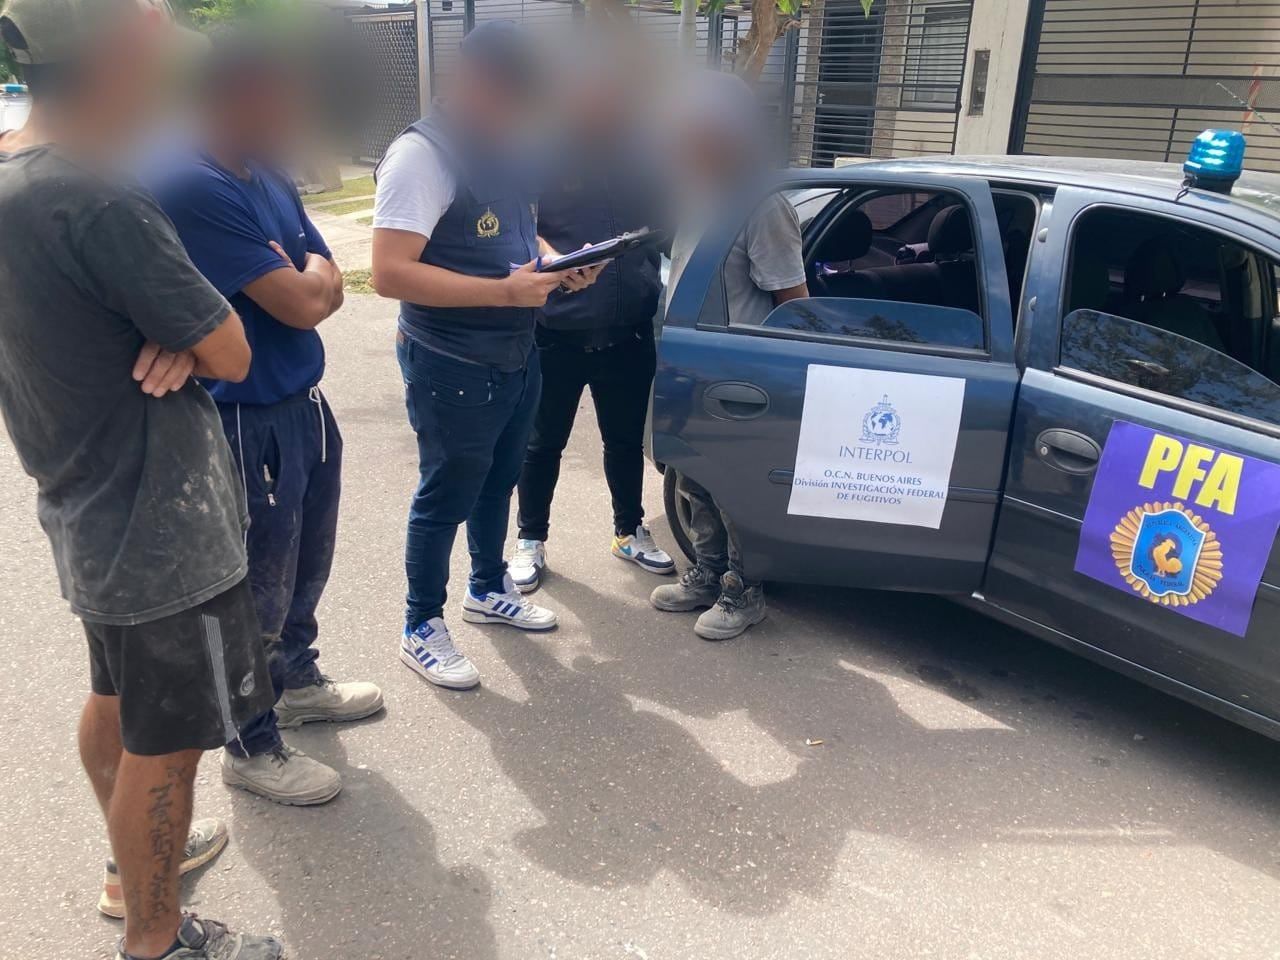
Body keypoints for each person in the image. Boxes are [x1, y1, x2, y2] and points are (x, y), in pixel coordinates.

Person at [0, 1, 283, 958]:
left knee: (118, 703)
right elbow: (235, 348)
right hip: (163, 527)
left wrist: (179, 336)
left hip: (84, 504)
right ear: (118, 61)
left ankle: (132, 872)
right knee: (171, 747)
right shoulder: (102, 200)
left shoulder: (13, 172)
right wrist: (190, 338)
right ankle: (159, 940)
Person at [146, 28, 383, 808]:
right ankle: (251, 742)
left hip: (302, 402)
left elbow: (329, 284)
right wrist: (304, 274)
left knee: (307, 563)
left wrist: (306, 274)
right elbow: (301, 296)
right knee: (255, 589)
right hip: (243, 418)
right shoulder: (191, 180)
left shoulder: (267, 170)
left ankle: (296, 682)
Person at [371, 21, 602, 689]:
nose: (516, 110)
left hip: (516, 353)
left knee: (499, 480)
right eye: (508, 94)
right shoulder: (422, 156)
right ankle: (421, 624)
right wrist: (505, 292)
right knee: (446, 493)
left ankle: (487, 585)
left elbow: (526, 237)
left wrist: (562, 265)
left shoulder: (510, 146)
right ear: (470, 79)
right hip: (451, 361)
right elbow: (389, 272)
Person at [508, 47, 674, 593]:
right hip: (556, 329)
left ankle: (629, 531)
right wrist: (552, 258)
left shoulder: (644, 154)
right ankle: (530, 540)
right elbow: (518, 226)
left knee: (624, 441)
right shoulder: (541, 152)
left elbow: (670, 227)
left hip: (629, 330)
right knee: (541, 443)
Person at [652, 71, 808, 641]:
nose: (684, 140)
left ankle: (745, 590)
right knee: (693, 476)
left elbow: (795, 303)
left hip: (740, 377)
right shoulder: (697, 193)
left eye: (697, 129)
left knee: (736, 485)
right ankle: (708, 572)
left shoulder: (762, 206)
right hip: (690, 366)